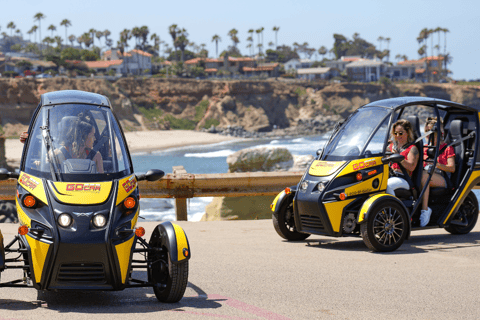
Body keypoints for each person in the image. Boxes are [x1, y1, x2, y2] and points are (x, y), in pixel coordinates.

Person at [419, 117, 455, 227]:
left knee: (424, 176)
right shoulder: (424, 148)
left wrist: (437, 164)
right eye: (427, 133)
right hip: (426, 174)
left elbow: (452, 168)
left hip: (442, 177)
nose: (428, 136)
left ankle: (425, 210)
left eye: (432, 133)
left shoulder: (447, 148)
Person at [386, 119, 419, 196]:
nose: (397, 136)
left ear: (407, 133)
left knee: (387, 186)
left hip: (404, 178)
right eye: (395, 133)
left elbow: (411, 167)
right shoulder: (391, 146)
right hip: (390, 175)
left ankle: (392, 205)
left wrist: (398, 157)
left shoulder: (412, 148)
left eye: (400, 133)